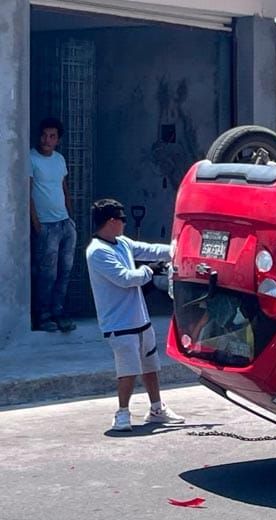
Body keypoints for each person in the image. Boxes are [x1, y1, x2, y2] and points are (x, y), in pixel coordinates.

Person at [86, 199, 184, 431]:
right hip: (119, 323)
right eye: (122, 219)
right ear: (111, 221)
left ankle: (157, 409)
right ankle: (122, 414)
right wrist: (151, 270)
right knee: (128, 371)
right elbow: (125, 278)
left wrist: (177, 250)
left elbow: (149, 249)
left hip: (140, 319)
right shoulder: (97, 252)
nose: (124, 224)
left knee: (151, 366)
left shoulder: (122, 243)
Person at [30, 117, 77, 332]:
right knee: (46, 274)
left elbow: (64, 187)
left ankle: (59, 312)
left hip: (64, 223)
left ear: (58, 140)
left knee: (64, 271)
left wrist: (70, 217)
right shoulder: (31, 159)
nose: (46, 140)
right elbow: (27, 193)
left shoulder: (59, 159)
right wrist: (36, 224)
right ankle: (43, 315)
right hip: (46, 225)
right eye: (44, 135)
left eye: (52, 136)